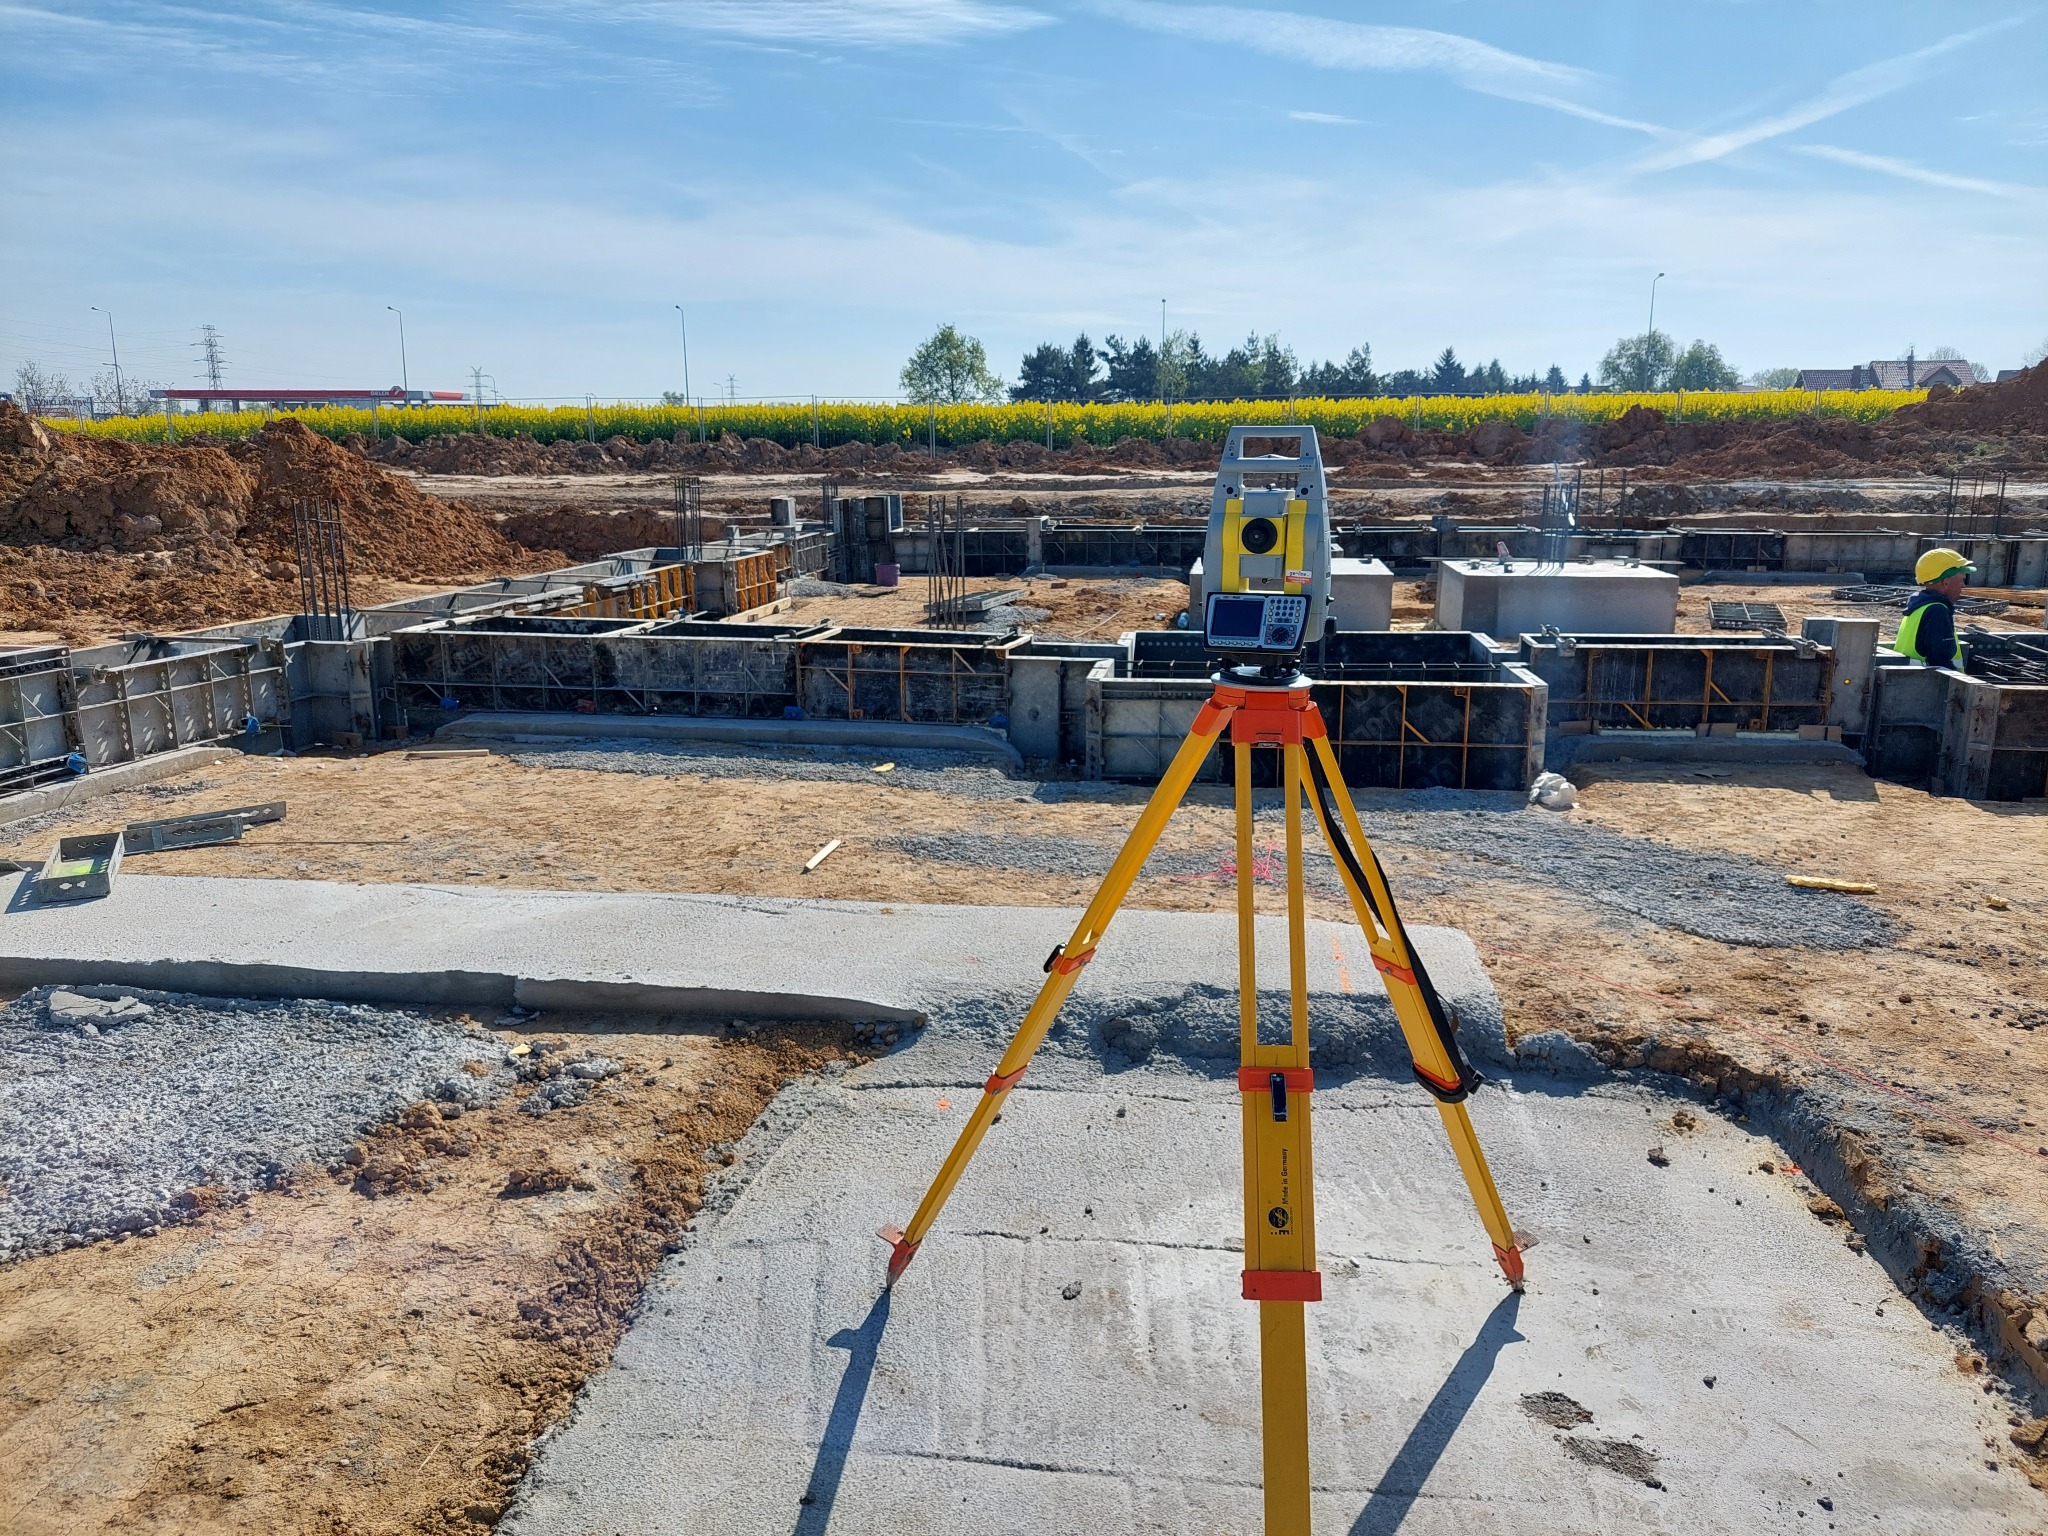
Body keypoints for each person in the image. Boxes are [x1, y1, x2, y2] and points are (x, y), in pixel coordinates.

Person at [1893, 547, 1975, 669]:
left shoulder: (1920, 606)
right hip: (1927, 685)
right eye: (1962, 580)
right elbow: (1941, 662)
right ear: (1946, 582)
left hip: (1912, 682)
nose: (1963, 585)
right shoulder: (1937, 611)